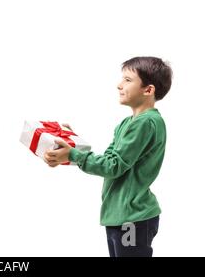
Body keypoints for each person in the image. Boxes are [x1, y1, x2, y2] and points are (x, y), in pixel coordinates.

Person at [44, 57, 172, 257]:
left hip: (132, 219)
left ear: (148, 90)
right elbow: (110, 159)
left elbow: (113, 166)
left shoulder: (145, 123)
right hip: (119, 216)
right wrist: (73, 144)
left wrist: (74, 155)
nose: (119, 85)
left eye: (128, 80)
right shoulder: (127, 123)